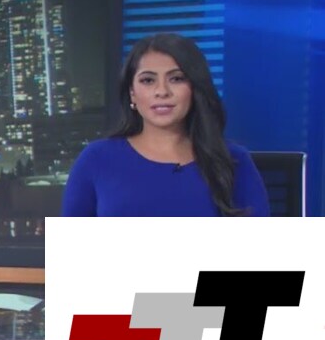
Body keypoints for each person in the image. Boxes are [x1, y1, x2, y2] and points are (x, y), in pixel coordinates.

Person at [62, 32, 269, 217]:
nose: (162, 91)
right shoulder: (96, 159)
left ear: (195, 89)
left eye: (176, 79)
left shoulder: (233, 160)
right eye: (148, 80)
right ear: (132, 93)